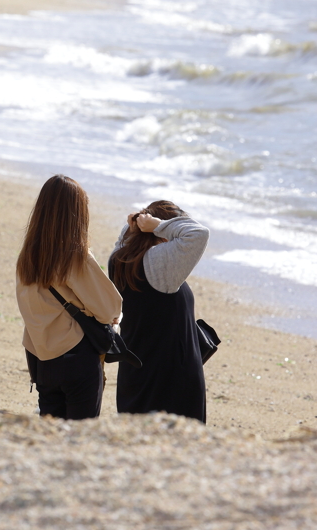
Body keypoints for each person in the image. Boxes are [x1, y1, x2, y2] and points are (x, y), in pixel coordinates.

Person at [16, 175, 123, 420]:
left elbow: (29, 308)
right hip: (78, 359)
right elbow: (111, 309)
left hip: (42, 359)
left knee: (51, 438)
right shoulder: (75, 256)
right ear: (76, 213)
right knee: (79, 439)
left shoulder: (27, 257)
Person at [108, 200, 209, 422]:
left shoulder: (118, 260)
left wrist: (133, 227)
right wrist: (158, 225)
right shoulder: (161, 263)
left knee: (136, 439)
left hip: (135, 371)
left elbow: (122, 242)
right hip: (172, 376)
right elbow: (199, 233)